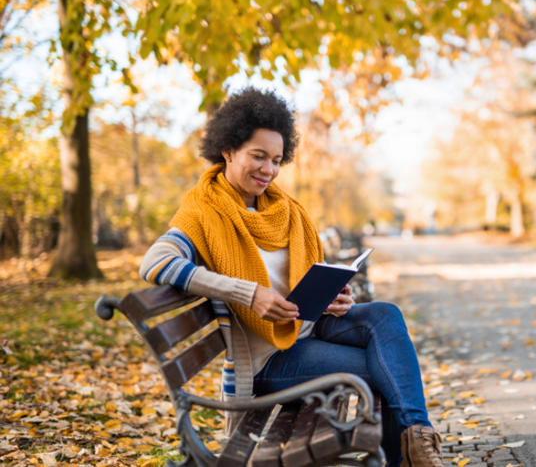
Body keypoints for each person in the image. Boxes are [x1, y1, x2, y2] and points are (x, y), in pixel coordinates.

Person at [139, 87, 444, 467]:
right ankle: (411, 458)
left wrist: (334, 298)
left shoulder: (284, 210)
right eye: (258, 156)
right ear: (229, 150)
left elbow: (299, 282)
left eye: (276, 160)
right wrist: (249, 294)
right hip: (271, 359)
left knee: (385, 315)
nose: (268, 169)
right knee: (386, 370)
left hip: (309, 328)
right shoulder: (203, 213)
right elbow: (155, 262)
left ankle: (418, 442)